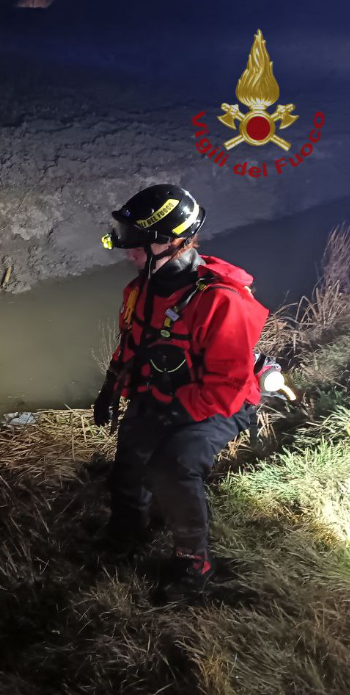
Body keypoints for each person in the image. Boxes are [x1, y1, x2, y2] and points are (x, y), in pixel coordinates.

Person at [94, 184, 269, 597]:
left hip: (219, 405)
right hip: (164, 394)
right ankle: (127, 532)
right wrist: (111, 384)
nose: (129, 251)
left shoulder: (221, 301)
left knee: (171, 467)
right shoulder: (141, 289)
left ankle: (194, 562)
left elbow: (226, 385)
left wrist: (175, 412)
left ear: (170, 242)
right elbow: (132, 344)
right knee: (129, 462)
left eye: (136, 243)